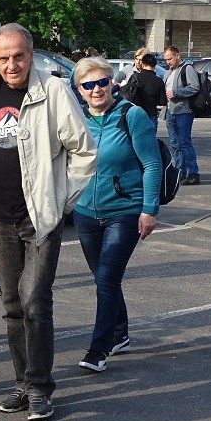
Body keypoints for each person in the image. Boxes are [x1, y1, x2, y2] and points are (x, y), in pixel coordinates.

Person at [0, 23, 97, 420]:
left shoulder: (52, 91)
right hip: (0, 219)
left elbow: (84, 151)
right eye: (3, 58)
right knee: (12, 304)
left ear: (31, 54)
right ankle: (22, 384)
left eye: (18, 56)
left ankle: (39, 388)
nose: (11, 65)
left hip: (39, 220)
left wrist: (61, 203)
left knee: (35, 302)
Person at [72, 57, 162, 372]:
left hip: (124, 211)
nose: (96, 89)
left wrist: (149, 210)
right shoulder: (76, 118)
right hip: (85, 213)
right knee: (104, 278)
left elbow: (152, 164)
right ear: (79, 89)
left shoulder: (131, 115)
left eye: (102, 82)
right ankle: (120, 333)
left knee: (107, 279)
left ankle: (99, 350)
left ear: (112, 82)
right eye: (88, 84)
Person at [163, 46, 201, 185]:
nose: (168, 61)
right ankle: (180, 172)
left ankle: (193, 173)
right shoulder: (168, 72)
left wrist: (177, 92)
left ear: (177, 55)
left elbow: (194, 87)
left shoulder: (187, 68)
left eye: (170, 58)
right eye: (166, 59)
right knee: (175, 144)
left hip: (183, 112)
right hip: (170, 112)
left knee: (184, 143)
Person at [124, 53, 167, 130]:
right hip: (151, 113)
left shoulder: (135, 77)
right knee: (150, 136)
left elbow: (128, 94)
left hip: (135, 113)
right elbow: (162, 101)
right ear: (155, 66)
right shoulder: (159, 81)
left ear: (142, 64)